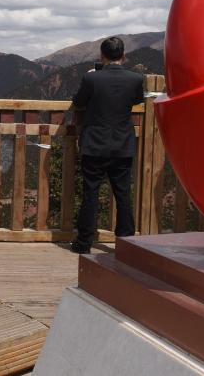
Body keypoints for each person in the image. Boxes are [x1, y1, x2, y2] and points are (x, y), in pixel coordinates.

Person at [70, 36, 144, 254]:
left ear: (102, 56)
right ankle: (126, 244)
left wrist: (93, 76)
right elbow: (137, 100)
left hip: (95, 144)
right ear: (123, 55)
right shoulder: (135, 79)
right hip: (122, 144)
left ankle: (84, 243)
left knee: (90, 193)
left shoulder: (91, 78)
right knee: (123, 194)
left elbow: (78, 101)